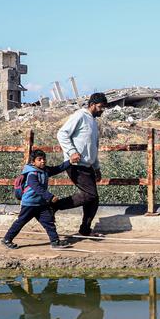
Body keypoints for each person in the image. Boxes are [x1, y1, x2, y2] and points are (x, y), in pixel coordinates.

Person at [54, 92, 106, 238]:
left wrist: (96, 168)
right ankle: (54, 206)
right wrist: (71, 152)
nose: (102, 110)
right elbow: (62, 133)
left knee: (94, 200)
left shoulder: (93, 122)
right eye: (100, 107)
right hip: (75, 164)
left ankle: (85, 230)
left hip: (87, 165)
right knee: (90, 195)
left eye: (103, 107)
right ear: (91, 105)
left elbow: (93, 146)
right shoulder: (80, 116)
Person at [1, 149, 71, 250]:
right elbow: (37, 187)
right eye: (39, 159)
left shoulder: (45, 170)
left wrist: (70, 162)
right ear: (33, 162)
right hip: (29, 204)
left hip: (41, 204)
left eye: (44, 159)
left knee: (49, 222)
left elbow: (58, 168)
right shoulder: (31, 174)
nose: (43, 161)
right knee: (20, 222)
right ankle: (7, 239)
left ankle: (55, 242)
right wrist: (50, 197)